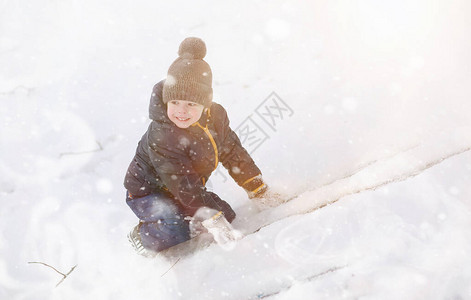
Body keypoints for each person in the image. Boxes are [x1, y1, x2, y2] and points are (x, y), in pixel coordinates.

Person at [124, 37, 279, 257]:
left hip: (179, 187)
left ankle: (190, 215)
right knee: (178, 227)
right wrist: (209, 217)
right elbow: (182, 182)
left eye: (191, 104)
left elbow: (232, 152)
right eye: (174, 102)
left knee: (226, 214)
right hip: (147, 192)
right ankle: (143, 236)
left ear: (205, 104)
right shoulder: (164, 135)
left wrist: (256, 187)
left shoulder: (215, 117)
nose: (181, 111)